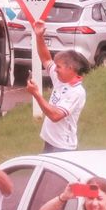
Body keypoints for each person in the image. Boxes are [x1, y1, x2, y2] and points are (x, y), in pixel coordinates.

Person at [25, 20, 89, 152]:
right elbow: (46, 59)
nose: (55, 69)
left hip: (62, 148)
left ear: (70, 68)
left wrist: (36, 94)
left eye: (58, 66)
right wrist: (39, 36)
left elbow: (55, 116)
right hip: (50, 142)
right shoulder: (60, 79)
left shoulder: (77, 92)